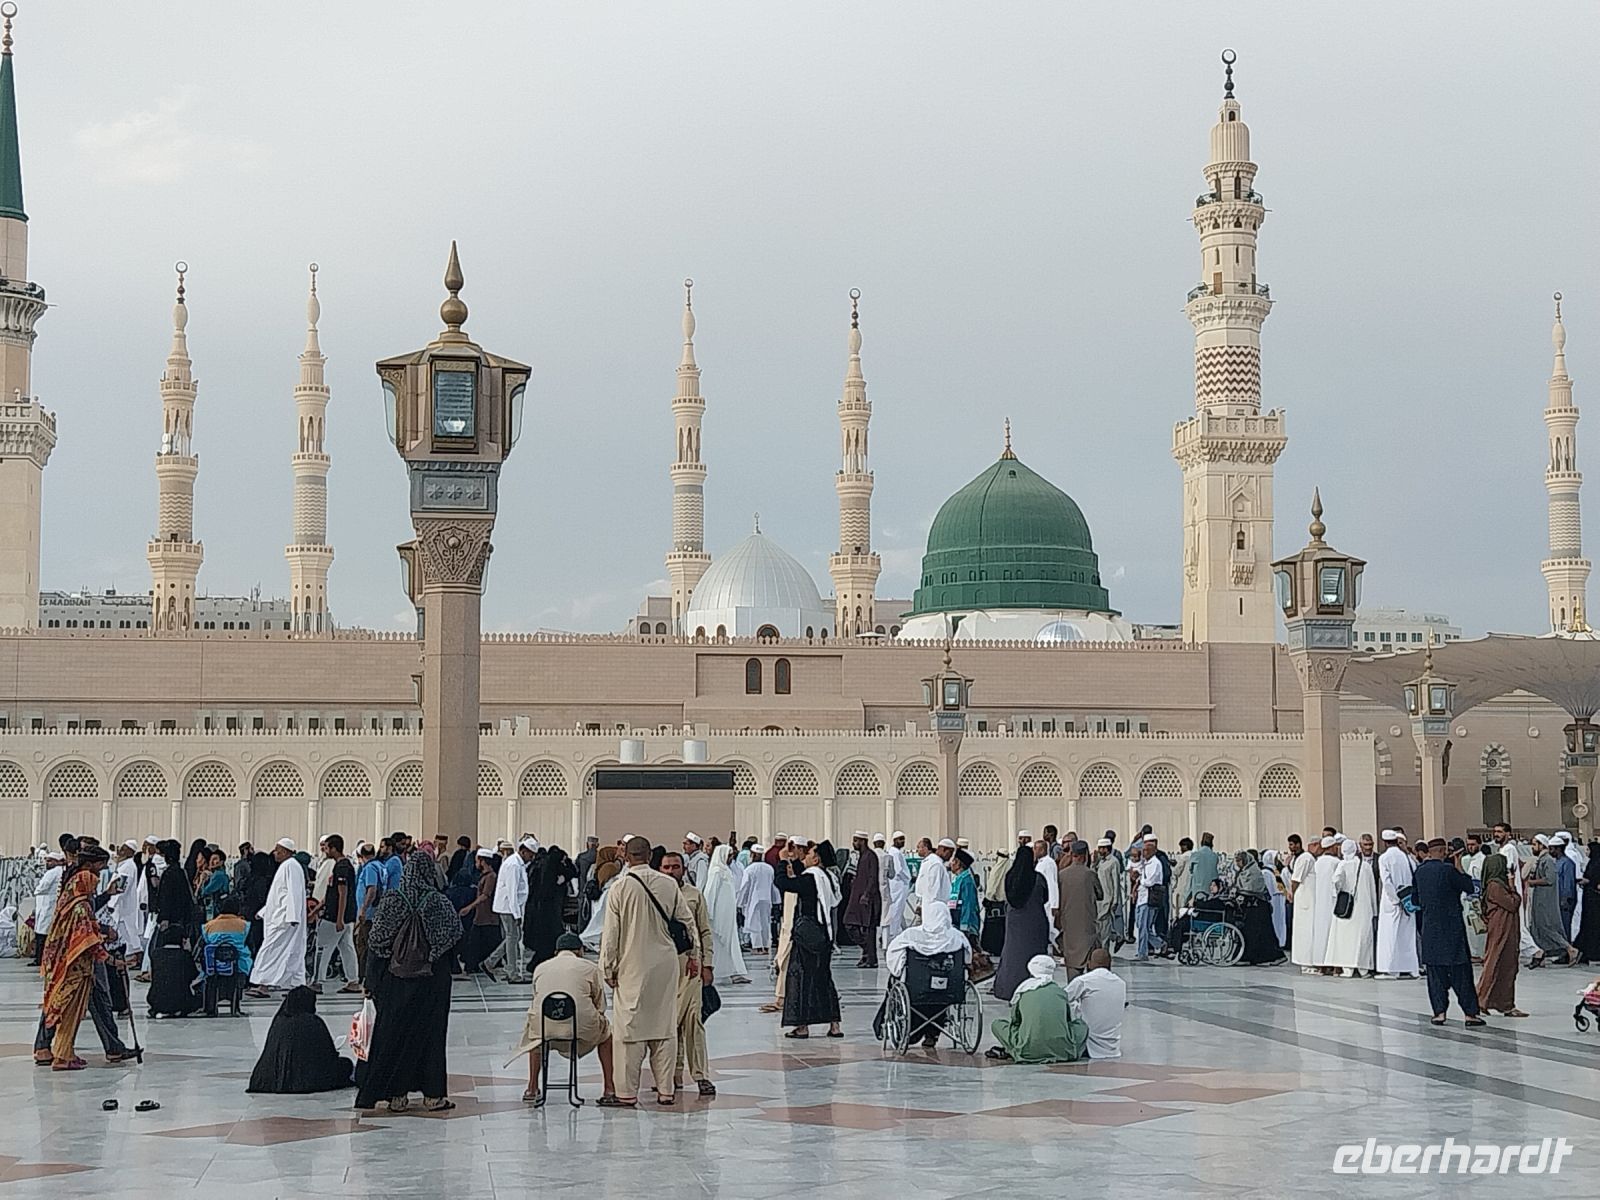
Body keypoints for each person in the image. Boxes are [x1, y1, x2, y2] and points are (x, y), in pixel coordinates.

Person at [355, 851, 461, 1112]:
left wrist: (371, 980)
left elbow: (377, 943)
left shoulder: (393, 900)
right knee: (431, 1037)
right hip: (432, 981)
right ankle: (433, 1095)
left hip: (396, 980)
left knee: (394, 1035)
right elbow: (455, 936)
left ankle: (396, 1095)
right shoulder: (438, 901)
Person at [600, 836, 700, 1106]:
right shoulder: (669, 884)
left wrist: (608, 968)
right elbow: (688, 924)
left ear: (628, 857)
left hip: (632, 965)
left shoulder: (620, 888)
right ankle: (666, 1092)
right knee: (664, 1026)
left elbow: (611, 934)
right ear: (648, 855)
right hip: (666, 965)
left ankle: (626, 1093)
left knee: (629, 1030)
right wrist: (694, 956)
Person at [508, 932, 616, 1104]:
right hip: (580, 1028)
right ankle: (609, 1089)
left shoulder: (541, 968)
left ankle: (532, 1087)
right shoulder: (590, 968)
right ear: (580, 951)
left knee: (533, 1033)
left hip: (545, 1029)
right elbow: (600, 1005)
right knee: (607, 1034)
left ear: (556, 952)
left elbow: (537, 997)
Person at [37, 869, 107, 1070]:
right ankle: (63, 1056)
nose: (94, 888)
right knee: (71, 1013)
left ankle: (65, 1052)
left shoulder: (68, 905)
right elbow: (86, 940)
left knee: (69, 1012)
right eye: (93, 883)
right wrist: (107, 956)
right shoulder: (80, 907)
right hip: (75, 969)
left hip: (63, 966)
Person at [660, 851, 717, 1098]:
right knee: (668, 1022)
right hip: (662, 968)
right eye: (666, 867)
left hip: (690, 965)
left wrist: (707, 964)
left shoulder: (694, 895)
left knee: (693, 1020)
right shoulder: (655, 895)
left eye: (675, 867)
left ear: (683, 869)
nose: (671, 871)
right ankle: (670, 1074)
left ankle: (701, 1075)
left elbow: (704, 931)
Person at [879, 894, 969, 1048]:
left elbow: (893, 957)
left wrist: (898, 970)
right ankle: (932, 1033)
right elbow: (967, 960)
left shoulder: (912, 935)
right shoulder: (957, 937)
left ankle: (905, 1028)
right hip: (948, 991)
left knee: (897, 981)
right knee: (939, 992)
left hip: (915, 990)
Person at [1413, 838, 1486, 1028]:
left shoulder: (1420, 871)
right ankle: (1470, 1014)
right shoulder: (1448, 870)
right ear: (1443, 851)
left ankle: (1439, 1013)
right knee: (1461, 974)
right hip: (1452, 929)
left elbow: (1415, 899)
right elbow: (1469, 887)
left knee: (1435, 975)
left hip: (1430, 929)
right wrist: (1459, 865)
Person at [775, 841, 842, 1039]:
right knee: (823, 978)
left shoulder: (812, 878)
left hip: (807, 934)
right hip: (824, 934)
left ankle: (802, 1026)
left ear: (816, 858)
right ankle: (834, 1024)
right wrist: (794, 860)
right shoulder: (827, 878)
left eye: (809, 854)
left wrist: (782, 862)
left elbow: (785, 883)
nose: (805, 856)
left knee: (800, 978)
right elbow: (804, 880)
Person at [246, 985, 354, 1093]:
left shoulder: (279, 1021)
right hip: (306, 1078)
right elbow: (327, 1056)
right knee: (346, 1064)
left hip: (274, 1077)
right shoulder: (313, 1022)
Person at [987, 955, 1087, 1064]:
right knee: (1082, 1026)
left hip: (1027, 1051)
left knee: (997, 1024)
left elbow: (1015, 1021)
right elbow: (1068, 1020)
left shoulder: (1023, 990)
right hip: (1063, 1051)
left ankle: (1016, 1050)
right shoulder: (1060, 992)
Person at [147, 838, 202, 1018]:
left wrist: (164, 918)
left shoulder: (171, 873)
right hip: (179, 921)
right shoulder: (180, 872)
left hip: (171, 922)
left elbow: (168, 898)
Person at [248, 838, 308, 998]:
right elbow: (278, 895)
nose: (275, 853)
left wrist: (293, 916)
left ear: (286, 851)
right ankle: (295, 986)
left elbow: (294, 893)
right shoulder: (286, 866)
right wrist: (264, 911)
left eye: (277, 850)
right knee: (291, 951)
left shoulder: (291, 866)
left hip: (285, 920)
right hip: (281, 917)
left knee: (271, 949)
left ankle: (263, 984)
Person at [993, 840, 1051, 1001]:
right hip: (1034, 921)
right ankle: (1034, 988)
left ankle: (1008, 988)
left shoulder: (1010, 877)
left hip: (1014, 922)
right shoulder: (1038, 879)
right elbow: (1045, 898)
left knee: (1013, 954)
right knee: (1033, 956)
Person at [1476, 851, 1526, 1017]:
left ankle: (1503, 1003)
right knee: (1495, 962)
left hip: (1505, 929)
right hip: (1501, 930)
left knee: (1507, 964)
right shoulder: (1495, 886)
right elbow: (1512, 904)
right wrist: (1513, 888)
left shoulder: (1496, 885)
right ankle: (1482, 999)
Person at [312, 834, 360, 994]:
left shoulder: (342, 867)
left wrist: (339, 918)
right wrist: (316, 909)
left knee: (322, 948)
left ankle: (317, 981)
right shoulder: (340, 865)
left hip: (335, 918)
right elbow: (331, 894)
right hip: (345, 916)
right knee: (346, 948)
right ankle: (353, 980)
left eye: (327, 848)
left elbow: (342, 893)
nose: (325, 851)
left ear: (333, 848)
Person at [1323, 840, 1376, 976]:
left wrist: (1338, 892)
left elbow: (1335, 881)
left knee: (1346, 939)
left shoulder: (1343, 865)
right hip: (1364, 908)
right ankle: (1363, 969)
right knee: (1363, 938)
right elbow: (1372, 889)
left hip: (1347, 909)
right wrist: (1374, 910)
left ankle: (1348, 969)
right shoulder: (1365, 866)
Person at [485, 838, 533, 984]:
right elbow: (512, 892)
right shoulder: (513, 865)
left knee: (512, 937)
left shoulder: (517, 863)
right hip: (509, 908)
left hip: (509, 907)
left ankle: (492, 963)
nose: (531, 858)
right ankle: (512, 973)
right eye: (530, 855)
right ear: (523, 851)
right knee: (513, 938)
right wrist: (516, 914)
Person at [522, 843, 575, 974]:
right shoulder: (553, 875)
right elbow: (572, 872)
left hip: (539, 912)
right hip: (550, 914)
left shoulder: (539, 867)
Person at [701, 844, 750, 985]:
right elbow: (710, 893)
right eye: (729, 856)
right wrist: (708, 913)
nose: (731, 859)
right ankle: (724, 971)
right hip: (718, 915)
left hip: (727, 914)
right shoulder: (716, 872)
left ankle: (735, 971)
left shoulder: (725, 870)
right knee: (721, 942)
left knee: (731, 942)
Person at [1065, 948, 1126, 1059]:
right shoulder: (1121, 983)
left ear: (1090, 963)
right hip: (1112, 1046)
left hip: (1088, 1044)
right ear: (1110, 963)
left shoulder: (1084, 981)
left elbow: (1063, 998)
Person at [1527, 835, 1577, 965]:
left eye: (1534, 844)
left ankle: (1569, 949)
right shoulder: (1541, 859)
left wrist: (1532, 882)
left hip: (1546, 900)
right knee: (1538, 928)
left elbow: (1549, 879)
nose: (1532, 847)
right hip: (1540, 899)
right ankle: (1541, 956)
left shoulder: (1548, 860)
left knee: (1547, 927)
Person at [1376, 830, 1419, 979]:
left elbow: (1387, 881)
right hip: (1408, 901)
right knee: (1407, 935)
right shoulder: (1407, 858)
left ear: (1385, 842)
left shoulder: (1384, 858)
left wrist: (1395, 900)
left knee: (1390, 936)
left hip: (1392, 902)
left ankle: (1390, 969)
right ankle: (1412, 968)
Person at [1231, 849, 1285, 965]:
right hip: (1251, 908)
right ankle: (1247, 957)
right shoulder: (1243, 872)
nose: (1238, 863)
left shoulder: (1254, 872)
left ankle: (1272, 957)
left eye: (1240, 861)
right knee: (1251, 934)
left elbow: (1253, 888)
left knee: (1263, 934)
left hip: (1259, 907)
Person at [1055, 841, 1100, 981]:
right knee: (1093, 966)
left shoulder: (1062, 875)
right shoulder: (1090, 874)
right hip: (1087, 927)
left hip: (1069, 926)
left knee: (1073, 966)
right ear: (1085, 855)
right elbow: (1100, 894)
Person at [459, 848, 501, 975]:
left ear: (482, 861)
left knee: (480, 942)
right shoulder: (484, 876)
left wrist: (469, 907)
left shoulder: (491, 877)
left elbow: (485, 895)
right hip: (482, 916)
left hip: (488, 917)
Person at [843, 833, 882, 968]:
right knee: (849, 924)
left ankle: (870, 958)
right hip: (857, 899)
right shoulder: (861, 857)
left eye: (856, 841)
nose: (854, 843)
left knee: (869, 929)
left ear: (863, 841)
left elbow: (873, 877)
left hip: (868, 899)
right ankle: (867, 951)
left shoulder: (871, 856)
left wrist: (867, 894)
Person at [1132, 833, 1166, 960]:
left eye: (1146, 850)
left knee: (1144, 927)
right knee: (1142, 926)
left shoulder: (1155, 863)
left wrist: (1140, 880)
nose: (1144, 853)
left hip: (1148, 898)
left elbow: (1149, 882)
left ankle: (1142, 953)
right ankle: (1160, 944)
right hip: (1141, 898)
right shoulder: (1145, 863)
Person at [1309, 834, 1340, 972]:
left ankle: (1320, 964)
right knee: (1332, 933)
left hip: (1319, 903)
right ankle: (1334, 965)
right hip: (1333, 902)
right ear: (1332, 847)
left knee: (1321, 932)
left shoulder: (1317, 862)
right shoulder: (1336, 863)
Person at [737, 845, 773, 956]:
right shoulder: (769, 868)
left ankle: (757, 947)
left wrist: (739, 902)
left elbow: (744, 887)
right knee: (765, 923)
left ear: (752, 855)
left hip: (753, 900)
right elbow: (772, 886)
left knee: (754, 923)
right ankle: (766, 946)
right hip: (767, 899)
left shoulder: (749, 869)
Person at [239, 849, 275, 958]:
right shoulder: (263, 881)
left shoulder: (249, 879)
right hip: (259, 916)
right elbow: (263, 899)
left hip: (247, 914)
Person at [30, 851, 63, 967]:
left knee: (42, 934)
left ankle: (39, 958)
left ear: (57, 861)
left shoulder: (53, 872)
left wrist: (36, 891)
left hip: (47, 906)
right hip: (47, 905)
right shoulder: (59, 872)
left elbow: (41, 887)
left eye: (50, 861)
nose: (47, 863)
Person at [1460, 833, 1488, 961]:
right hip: (1467, 897)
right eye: (1468, 845)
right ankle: (1473, 953)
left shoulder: (1483, 860)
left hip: (1477, 897)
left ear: (1479, 845)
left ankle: (1480, 953)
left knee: (1479, 927)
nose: (1470, 847)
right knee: (1469, 928)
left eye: (1473, 845)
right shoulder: (1465, 859)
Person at [1093, 839, 1125, 948]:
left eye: (1102, 848)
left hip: (1108, 900)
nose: (1100, 851)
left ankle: (1104, 953)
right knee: (1099, 929)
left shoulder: (1114, 862)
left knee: (1105, 931)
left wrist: (1115, 900)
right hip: (1099, 900)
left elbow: (1115, 882)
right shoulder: (1100, 862)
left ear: (1107, 849)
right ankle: (1116, 937)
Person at [883, 832, 911, 940]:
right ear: (894, 840)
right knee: (896, 909)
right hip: (899, 884)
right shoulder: (895, 853)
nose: (902, 841)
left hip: (898, 884)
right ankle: (892, 934)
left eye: (903, 839)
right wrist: (908, 878)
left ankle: (898, 931)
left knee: (898, 909)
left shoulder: (897, 852)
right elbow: (899, 871)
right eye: (900, 839)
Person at [1577, 840, 1600, 965]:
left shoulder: (1597, 864)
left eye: (1588, 850)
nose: (1587, 852)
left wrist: (1588, 882)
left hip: (1595, 901)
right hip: (1589, 900)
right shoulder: (1592, 863)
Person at [1260, 849, 1288, 950]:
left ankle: (1281, 941)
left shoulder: (1275, 871)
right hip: (1273, 900)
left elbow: (1281, 887)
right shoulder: (1266, 873)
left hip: (1279, 899)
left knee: (1280, 921)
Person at [198, 847, 230, 920]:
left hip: (216, 909)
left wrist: (203, 882)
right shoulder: (219, 874)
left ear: (221, 862)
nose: (212, 861)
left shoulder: (219, 875)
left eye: (215, 859)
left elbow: (206, 891)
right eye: (211, 859)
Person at [1189, 832, 1221, 903]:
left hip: (1198, 890)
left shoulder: (1195, 855)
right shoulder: (1215, 856)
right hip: (1211, 890)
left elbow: (1190, 871)